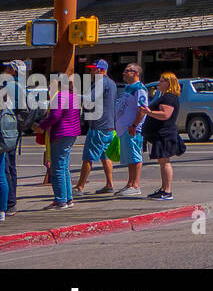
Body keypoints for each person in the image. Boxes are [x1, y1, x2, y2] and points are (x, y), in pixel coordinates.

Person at [73, 59, 117, 197]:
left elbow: (89, 99)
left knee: (88, 157)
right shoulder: (111, 83)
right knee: (105, 156)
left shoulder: (101, 83)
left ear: (102, 70)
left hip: (98, 125)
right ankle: (110, 184)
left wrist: (72, 95)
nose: (91, 71)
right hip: (109, 125)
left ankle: (79, 187)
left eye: (94, 69)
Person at [37, 75, 81, 209]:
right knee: (64, 167)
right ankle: (67, 198)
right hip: (72, 132)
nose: (50, 86)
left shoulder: (60, 96)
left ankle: (60, 199)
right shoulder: (73, 96)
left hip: (61, 133)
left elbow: (55, 115)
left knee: (57, 168)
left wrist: (41, 126)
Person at [141, 72, 186, 201]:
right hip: (160, 134)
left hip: (164, 135)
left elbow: (165, 115)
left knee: (165, 162)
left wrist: (149, 112)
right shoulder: (165, 96)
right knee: (162, 162)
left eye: (161, 81)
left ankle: (167, 191)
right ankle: (163, 189)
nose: (158, 83)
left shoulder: (169, 98)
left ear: (168, 83)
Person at [113, 63, 150, 198]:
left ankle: (135, 185)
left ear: (136, 73)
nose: (124, 73)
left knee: (135, 156)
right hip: (124, 129)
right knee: (130, 158)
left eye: (127, 71)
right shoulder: (128, 88)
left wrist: (134, 125)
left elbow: (142, 110)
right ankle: (129, 183)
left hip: (132, 129)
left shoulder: (139, 89)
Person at [0, 62, 20, 214]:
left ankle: (7, 204)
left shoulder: (8, 85)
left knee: (5, 170)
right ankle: (10, 203)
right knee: (10, 167)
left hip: (5, 132)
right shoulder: (20, 86)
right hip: (12, 131)